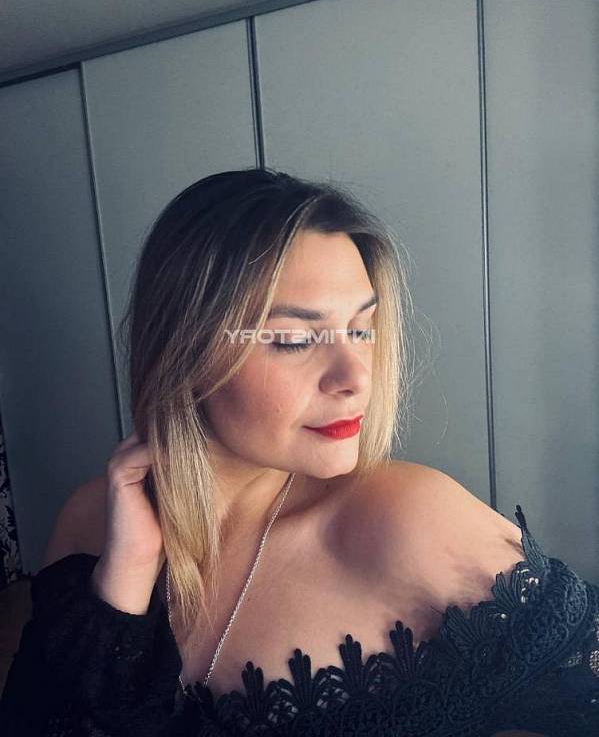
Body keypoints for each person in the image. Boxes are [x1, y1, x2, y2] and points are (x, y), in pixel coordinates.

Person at [1, 168, 598, 737]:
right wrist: (124, 586)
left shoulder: (408, 521)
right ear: (184, 351)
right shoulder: (92, 522)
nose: (355, 377)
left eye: (362, 329)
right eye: (292, 339)